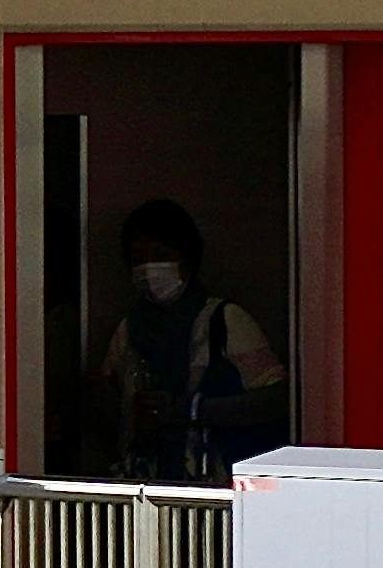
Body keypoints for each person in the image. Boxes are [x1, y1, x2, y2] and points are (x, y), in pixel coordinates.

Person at [95, 200, 287, 483]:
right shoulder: (129, 330)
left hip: (216, 485)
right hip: (145, 486)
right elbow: (110, 408)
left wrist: (192, 410)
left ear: (188, 259)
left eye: (161, 255)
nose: (149, 268)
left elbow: (277, 400)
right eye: (138, 259)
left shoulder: (224, 321)